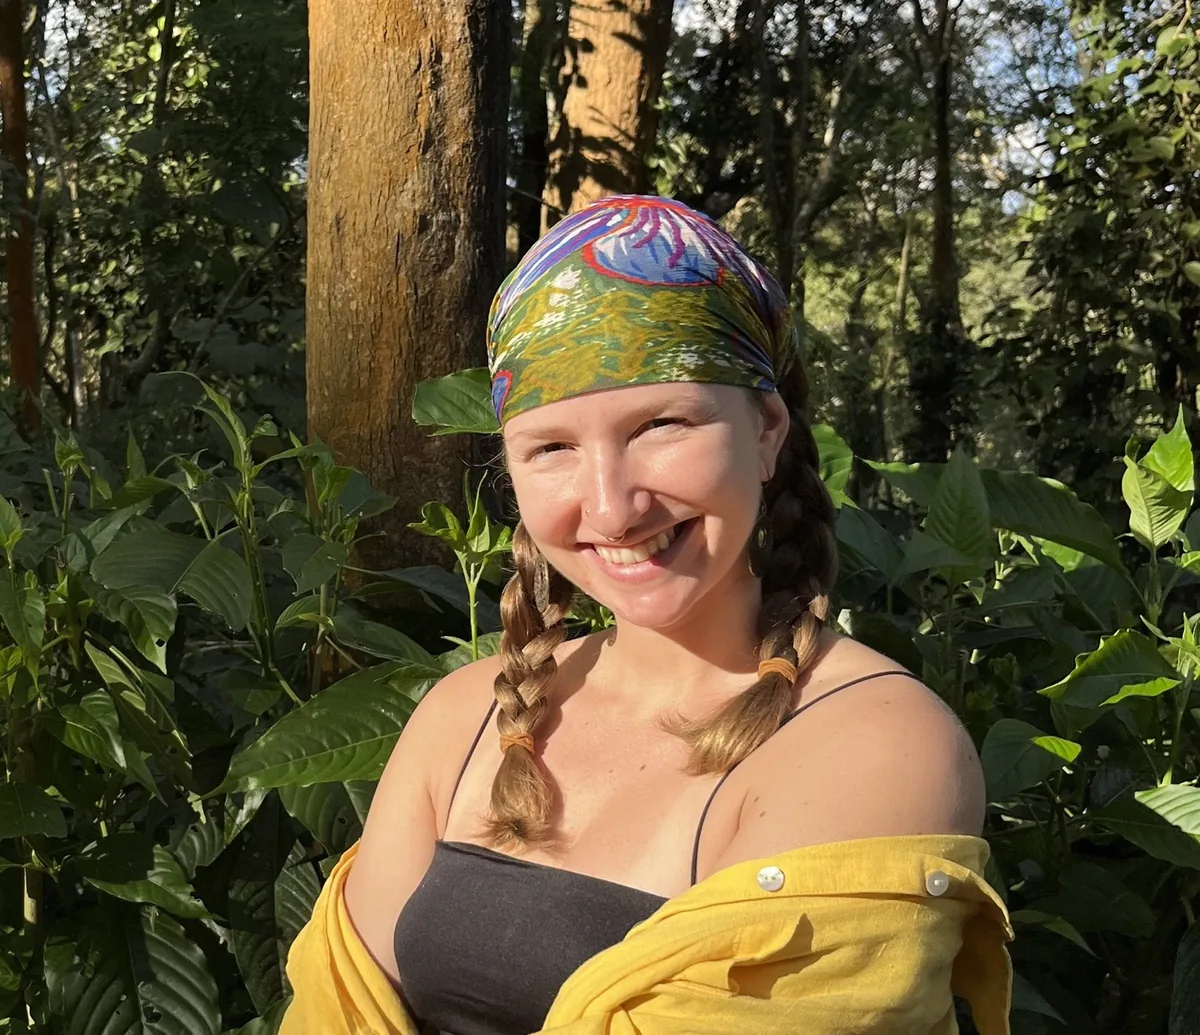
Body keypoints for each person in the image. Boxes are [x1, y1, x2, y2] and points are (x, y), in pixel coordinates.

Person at [280, 195, 1013, 1035]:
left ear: (768, 428)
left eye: (661, 425)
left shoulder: (877, 739)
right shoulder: (466, 714)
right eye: (552, 447)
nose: (611, 505)